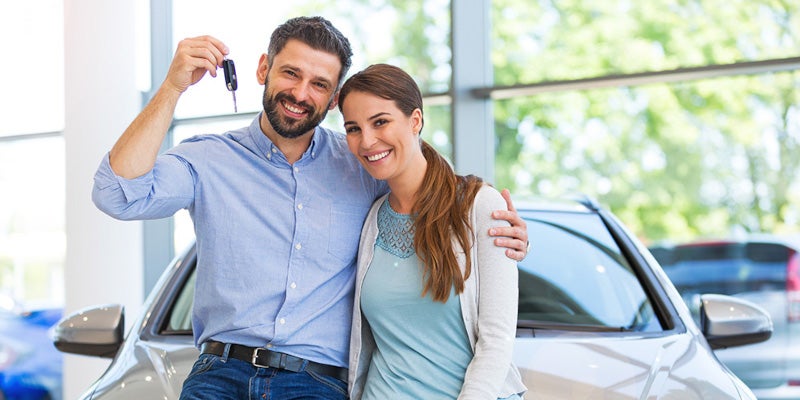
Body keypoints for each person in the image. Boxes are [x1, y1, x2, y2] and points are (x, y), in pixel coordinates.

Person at [92, 16, 528, 400]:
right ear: (264, 68)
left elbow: (433, 198)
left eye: (319, 84)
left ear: (333, 96)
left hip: (314, 384)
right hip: (218, 375)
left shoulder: (362, 163)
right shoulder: (207, 159)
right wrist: (171, 88)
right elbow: (117, 194)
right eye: (290, 73)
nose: (301, 93)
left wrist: (502, 231)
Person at [338, 63, 527, 400]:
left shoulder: (479, 206)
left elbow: (497, 341)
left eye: (380, 121)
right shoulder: (371, 219)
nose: (367, 141)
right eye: (353, 128)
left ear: (415, 120)